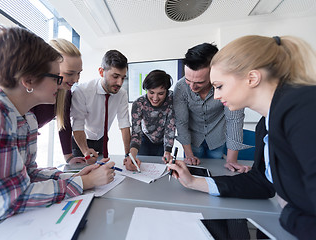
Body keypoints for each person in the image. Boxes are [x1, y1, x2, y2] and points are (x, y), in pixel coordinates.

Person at [0, 27, 115, 220]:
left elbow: (28, 174)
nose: (61, 84)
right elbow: (12, 199)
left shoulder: (27, 119)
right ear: (29, 80)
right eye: (57, 78)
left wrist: (77, 177)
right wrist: (84, 183)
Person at [170, 35, 316, 239]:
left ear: (252, 78)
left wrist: (288, 213)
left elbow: (234, 122)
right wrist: (193, 182)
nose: (217, 95)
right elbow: (262, 183)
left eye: (219, 86)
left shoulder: (304, 107)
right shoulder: (265, 125)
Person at [173, 43, 250, 173]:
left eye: (199, 82)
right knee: (193, 172)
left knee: (218, 171)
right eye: (188, 80)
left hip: (217, 137)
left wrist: (232, 161)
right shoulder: (181, 87)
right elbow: (181, 122)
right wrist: (189, 155)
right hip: (193, 139)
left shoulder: (228, 86)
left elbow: (234, 121)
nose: (192, 87)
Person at [71, 50, 131, 164]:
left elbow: (124, 124)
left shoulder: (122, 93)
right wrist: (85, 151)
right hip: (81, 140)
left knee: (103, 173)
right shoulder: (82, 91)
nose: (119, 83)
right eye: (115, 76)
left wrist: (128, 155)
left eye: (123, 78)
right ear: (101, 71)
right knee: (82, 176)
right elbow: (77, 125)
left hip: (102, 140)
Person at [30, 38, 83, 164]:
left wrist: (69, 157)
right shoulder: (29, 93)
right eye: (70, 73)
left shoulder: (65, 93)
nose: (76, 80)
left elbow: (64, 125)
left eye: (79, 73)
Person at [125, 70, 176, 171]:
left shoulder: (172, 100)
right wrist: (132, 156)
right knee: (141, 169)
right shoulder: (139, 104)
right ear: (146, 89)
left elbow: (170, 128)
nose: (155, 98)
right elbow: (136, 133)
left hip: (164, 142)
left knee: (162, 170)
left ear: (167, 90)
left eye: (161, 93)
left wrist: (168, 151)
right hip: (144, 140)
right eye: (151, 92)